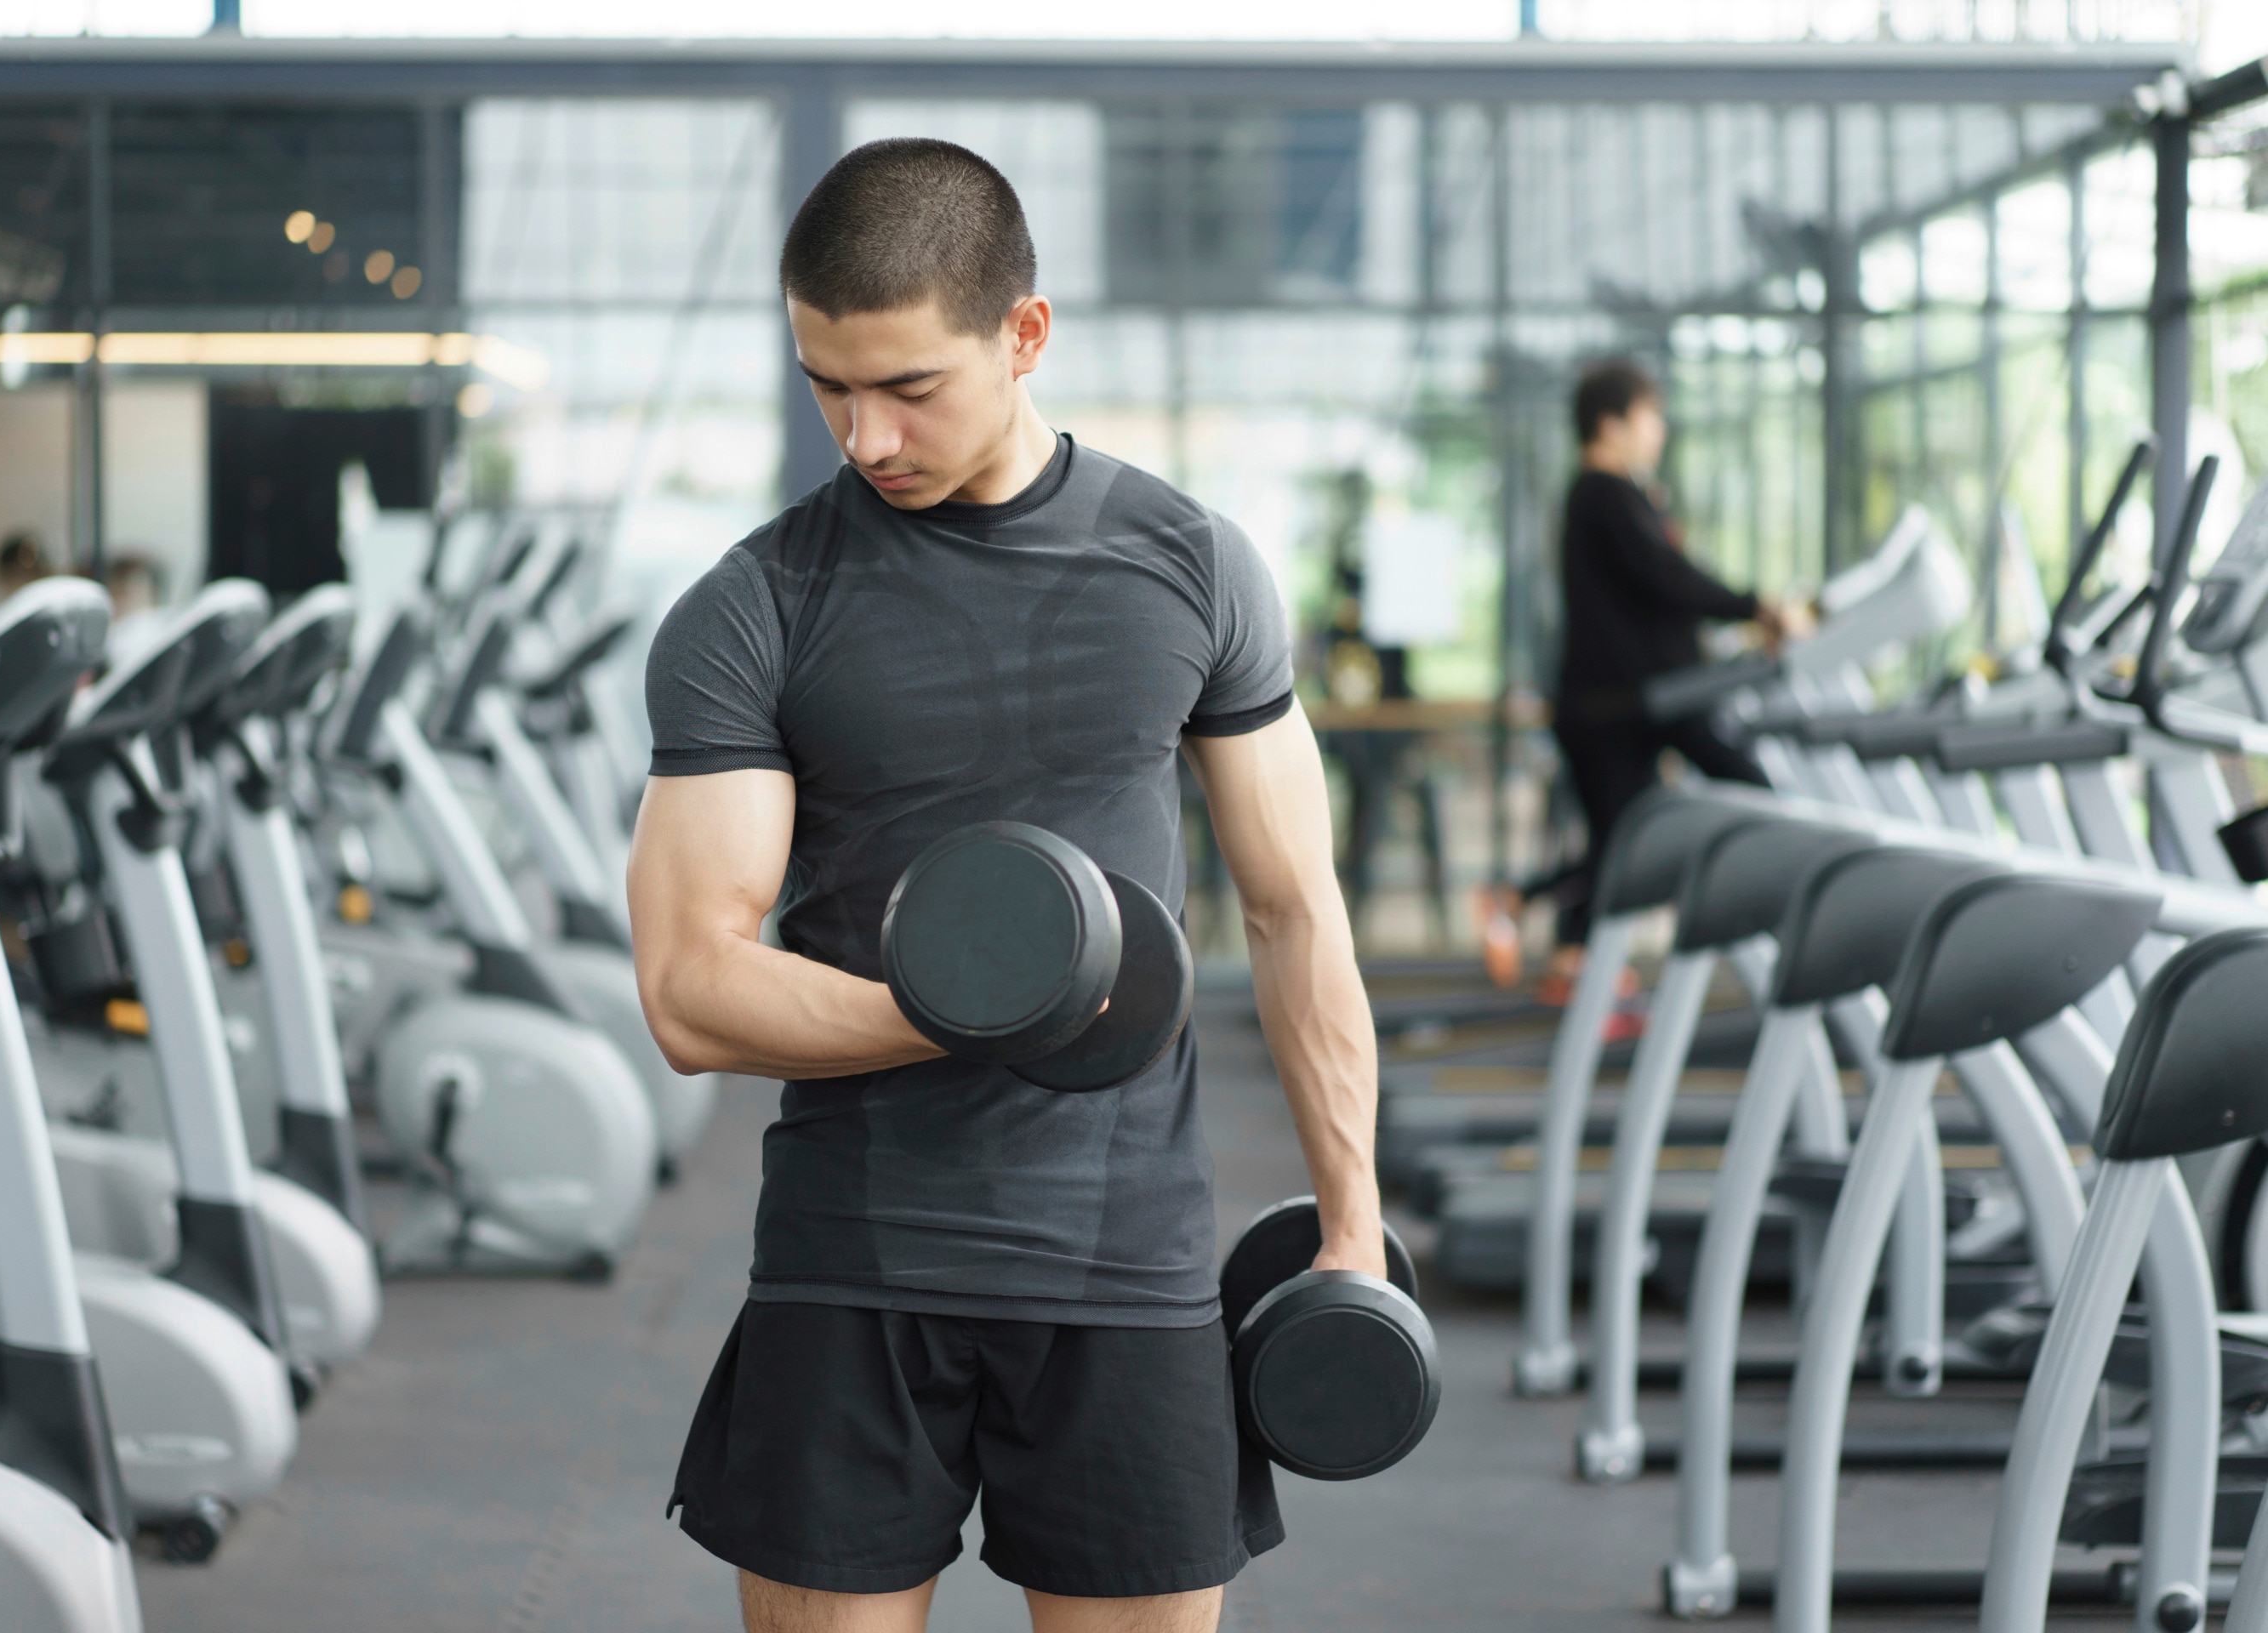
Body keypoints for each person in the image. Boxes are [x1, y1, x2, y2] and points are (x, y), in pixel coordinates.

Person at [627, 138, 1382, 1633]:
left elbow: (1297, 912)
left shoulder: (1193, 567)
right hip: (853, 1264)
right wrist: (980, 1006)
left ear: (1025, 334)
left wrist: (1352, 1228)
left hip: (1129, 1262)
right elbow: (691, 993)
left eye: (909, 386)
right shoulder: (754, 607)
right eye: (828, 386)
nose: (865, 436)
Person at [1517, 359, 1808, 997]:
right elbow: (1666, 577)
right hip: (1622, 705)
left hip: (1634, 703)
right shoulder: (1604, 493)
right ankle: (1545, 929)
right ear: (1611, 424)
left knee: (1624, 839)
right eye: (1650, 418)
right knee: (1643, 835)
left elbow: (1657, 590)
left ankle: (1564, 953)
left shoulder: (1611, 495)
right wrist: (1754, 606)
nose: (1660, 431)